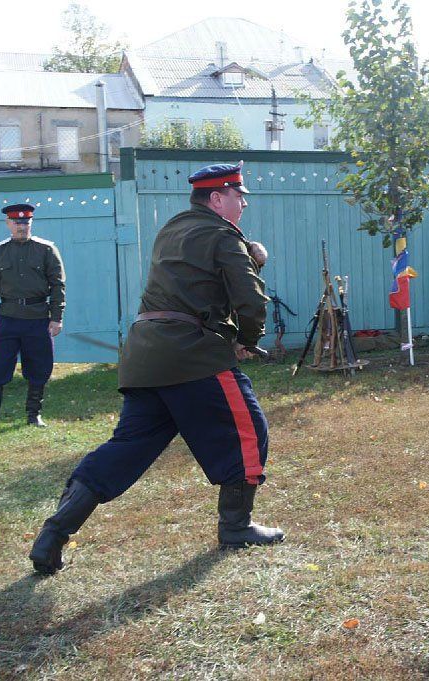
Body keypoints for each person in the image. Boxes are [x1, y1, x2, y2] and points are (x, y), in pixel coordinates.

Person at [29, 162, 284, 575]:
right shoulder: (223, 235)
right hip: (192, 354)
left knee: (126, 448)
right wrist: (247, 339)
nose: (243, 204)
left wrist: (246, 256)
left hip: (145, 357)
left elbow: (195, 282)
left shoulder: (173, 230)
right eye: (238, 196)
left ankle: (53, 533)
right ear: (217, 198)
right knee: (248, 433)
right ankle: (236, 527)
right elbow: (250, 298)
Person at [0, 204, 65, 435]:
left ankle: (34, 415)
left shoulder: (46, 250)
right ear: (8, 224)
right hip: (8, 319)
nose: (21, 227)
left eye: (25, 222)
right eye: (17, 223)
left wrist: (56, 318)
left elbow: (58, 286)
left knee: (39, 367)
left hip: (38, 318)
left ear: (31, 223)